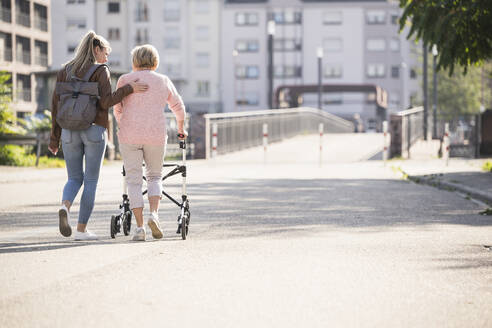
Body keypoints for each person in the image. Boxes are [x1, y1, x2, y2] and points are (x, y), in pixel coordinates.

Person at [49, 30, 149, 241]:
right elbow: (105, 102)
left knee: (74, 178)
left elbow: (55, 106)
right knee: (91, 180)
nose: (107, 56)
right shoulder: (100, 70)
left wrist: (54, 138)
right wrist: (129, 89)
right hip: (93, 129)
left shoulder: (64, 70)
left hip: (68, 130)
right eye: (106, 51)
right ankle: (81, 230)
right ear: (96, 49)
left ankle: (65, 207)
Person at [114, 44, 186, 241]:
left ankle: (139, 229)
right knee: (154, 177)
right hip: (155, 135)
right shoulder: (163, 81)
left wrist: (125, 123)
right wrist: (181, 128)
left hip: (129, 136)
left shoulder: (125, 80)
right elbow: (178, 108)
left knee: (134, 181)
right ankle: (154, 215)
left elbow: (117, 109)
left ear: (134, 61)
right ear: (155, 61)